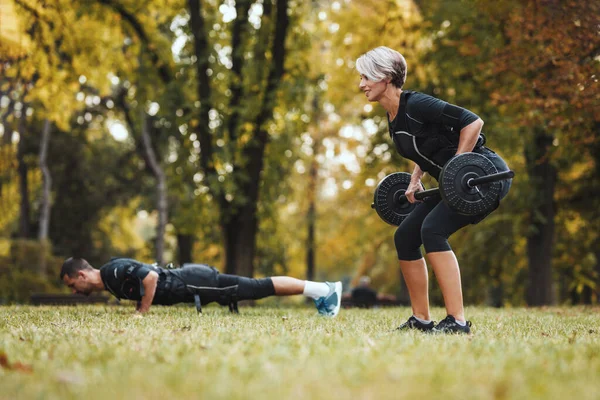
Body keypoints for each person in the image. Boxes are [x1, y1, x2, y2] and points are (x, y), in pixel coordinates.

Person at [356, 46, 511, 334]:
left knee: (432, 230)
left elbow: (473, 122)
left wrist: (457, 165)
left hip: (483, 177)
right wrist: (415, 180)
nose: (361, 84)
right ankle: (422, 319)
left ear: (386, 76)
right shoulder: (393, 117)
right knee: (405, 236)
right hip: (453, 182)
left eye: (366, 76)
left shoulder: (416, 104)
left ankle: (457, 321)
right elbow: (424, 151)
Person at [60, 257, 343, 317]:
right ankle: (322, 290)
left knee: (256, 288)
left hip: (195, 280)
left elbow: (150, 278)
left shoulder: (111, 270)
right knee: (256, 288)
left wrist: (141, 312)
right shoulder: (111, 281)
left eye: (73, 284)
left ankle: (324, 290)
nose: (75, 291)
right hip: (193, 281)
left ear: (82, 275)